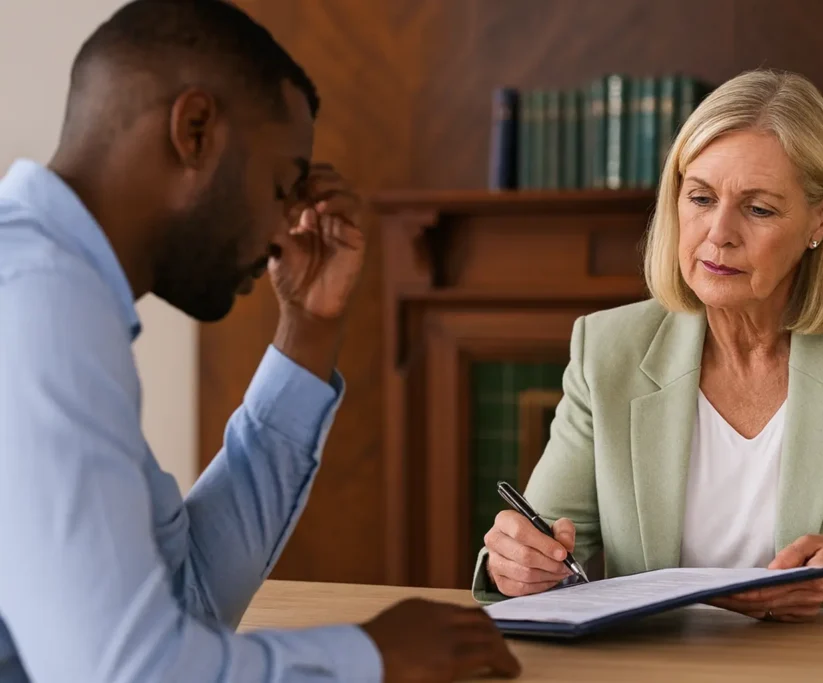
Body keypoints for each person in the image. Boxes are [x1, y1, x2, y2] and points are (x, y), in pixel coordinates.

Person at [0, 1, 519, 682]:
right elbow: (125, 672)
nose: (285, 232)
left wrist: (308, 331)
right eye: (281, 186)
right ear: (194, 130)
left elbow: (188, 602)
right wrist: (377, 654)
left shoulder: (55, 293)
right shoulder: (36, 303)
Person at [474, 68, 823, 620]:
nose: (719, 233)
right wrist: (516, 564)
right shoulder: (608, 348)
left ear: (821, 219)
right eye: (701, 198)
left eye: (758, 209)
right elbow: (540, 539)